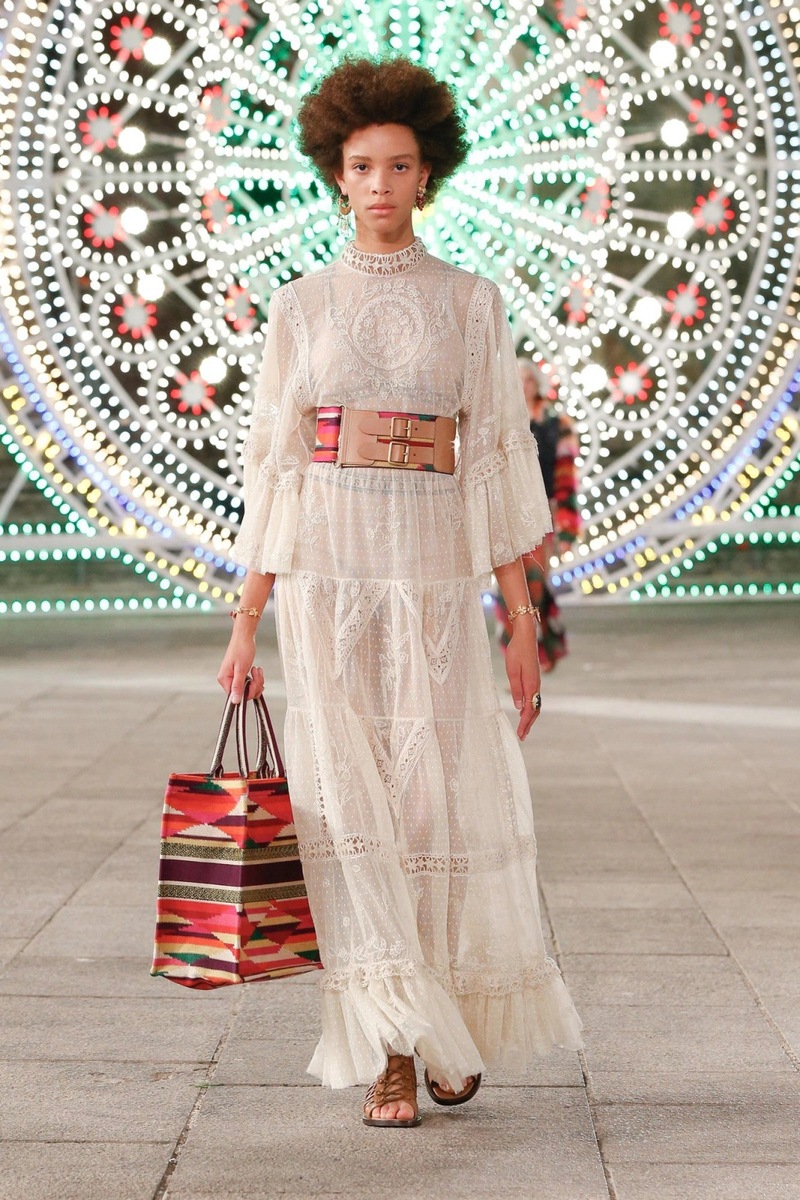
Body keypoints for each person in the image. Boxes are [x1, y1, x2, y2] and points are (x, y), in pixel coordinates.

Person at [218, 56, 582, 1128]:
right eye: (361, 165)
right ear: (335, 175)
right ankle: (389, 1046)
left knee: (431, 806)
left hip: (429, 574)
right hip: (326, 575)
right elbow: (278, 468)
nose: (380, 183)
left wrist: (519, 622)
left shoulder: (470, 304)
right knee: (344, 813)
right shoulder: (301, 307)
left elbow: (495, 462)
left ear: (429, 175)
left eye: (400, 165)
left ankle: (437, 1021)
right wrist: (245, 622)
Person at [493, 361, 581, 672]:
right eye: (518, 379)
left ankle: (539, 651)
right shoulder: (500, 422)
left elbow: (566, 476)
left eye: (528, 379)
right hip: (508, 512)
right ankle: (521, 657)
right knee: (509, 587)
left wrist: (568, 526)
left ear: (537, 384)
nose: (523, 385)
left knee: (535, 584)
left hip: (542, 513)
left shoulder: (557, 424)